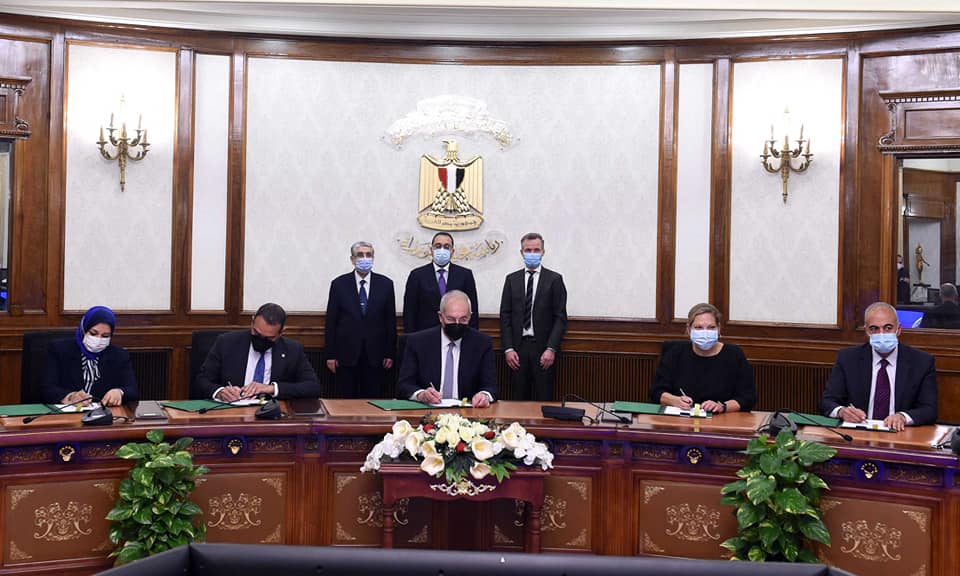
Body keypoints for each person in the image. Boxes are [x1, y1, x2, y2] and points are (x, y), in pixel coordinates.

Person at [820, 301, 937, 431]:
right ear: (866, 331)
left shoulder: (921, 362)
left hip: (901, 433)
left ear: (898, 329)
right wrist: (842, 411)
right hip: (859, 433)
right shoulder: (848, 358)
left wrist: (903, 417)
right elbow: (827, 402)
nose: (881, 334)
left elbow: (929, 410)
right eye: (874, 329)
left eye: (888, 328)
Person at [195, 303, 320, 401]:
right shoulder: (227, 343)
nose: (261, 340)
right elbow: (202, 380)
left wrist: (271, 388)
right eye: (256, 333)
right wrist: (220, 392)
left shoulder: (292, 350)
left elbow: (313, 387)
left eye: (268, 338)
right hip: (231, 412)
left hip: (273, 416)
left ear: (280, 333)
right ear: (252, 322)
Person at [649, 303, 755, 413]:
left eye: (711, 327)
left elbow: (747, 398)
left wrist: (722, 406)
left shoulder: (734, 354)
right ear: (689, 329)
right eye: (698, 327)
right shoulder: (675, 352)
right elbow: (656, 392)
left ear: (719, 329)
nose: (705, 333)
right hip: (682, 419)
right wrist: (674, 400)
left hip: (721, 419)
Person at [396, 290, 496, 407]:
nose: (457, 323)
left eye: (463, 319)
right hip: (427, 411)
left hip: (468, 411)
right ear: (440, 317)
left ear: (470, 317)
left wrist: (484, 395)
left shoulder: (482, 343)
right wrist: (421, 394)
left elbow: (490, 387)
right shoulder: (418, 342)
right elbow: (404, 385)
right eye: (451, 319)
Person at [499, 232, 567, 401]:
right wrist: (508, 349)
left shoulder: (554, 279)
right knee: (518, 399)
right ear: (521, 252)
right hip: (518, 349)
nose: (532, 254)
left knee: (544, 397)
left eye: (536, 250)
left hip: (543, 349)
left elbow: (560, 317)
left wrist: (551, 348)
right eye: (528, 250)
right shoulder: (511, 279)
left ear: (543, 252)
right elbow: (505, 316)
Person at [325, 241, 397, 398]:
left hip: (376, 355)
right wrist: (331, 354)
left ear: (373, 258)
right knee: (345, 400)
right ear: (352, 259)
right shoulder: (339, 284)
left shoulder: (386, 284)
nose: (365, 258)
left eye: (368, 255)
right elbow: (331, 322)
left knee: (372, 399)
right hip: (346, 354)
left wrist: (390, 353)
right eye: (360, 255)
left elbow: (390, 322)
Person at [43, 306, 138, 407]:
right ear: (83, 330)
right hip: (67, 413)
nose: (98, 339)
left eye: (105, 336)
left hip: (102, 414)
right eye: (93, 333)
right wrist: (70, 396)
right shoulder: (59, 350)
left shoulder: (119, 355)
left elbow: (132, 390)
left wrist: (119, 392)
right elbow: (46, 388)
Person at [403, 232, 479, 333]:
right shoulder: (417, 275)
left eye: (446, 247)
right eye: (438, 246)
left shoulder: (465, 275)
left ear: (452, 251)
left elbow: (472, 311)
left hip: (457, 333)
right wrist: (410, 339)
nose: (442, 250)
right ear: (431, 250)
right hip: (425, 335)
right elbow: (409, 313)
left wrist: (472, 338)